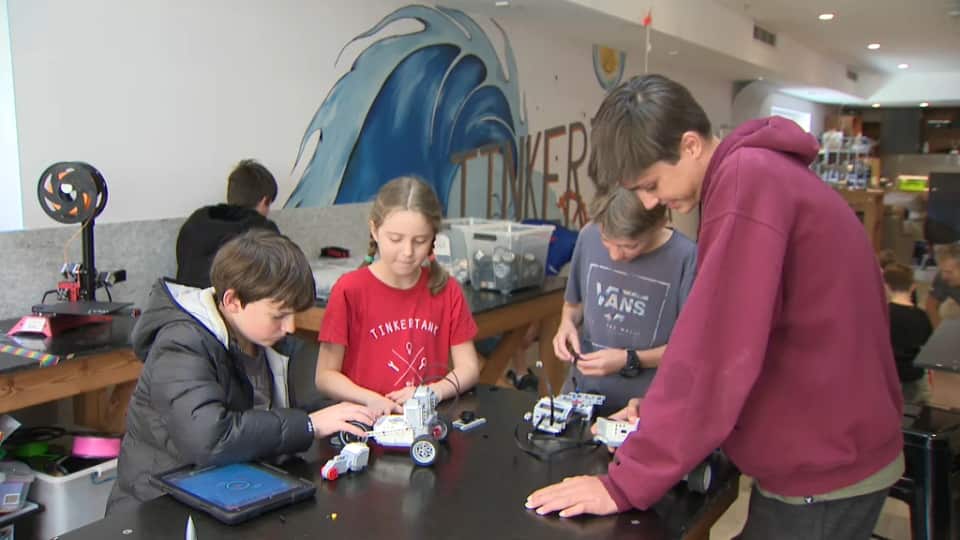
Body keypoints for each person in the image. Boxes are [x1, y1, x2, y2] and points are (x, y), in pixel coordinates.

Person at [525, 74, 903, 540]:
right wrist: (664, 414)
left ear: (689, 145)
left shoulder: (747, 186)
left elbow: (717, 349)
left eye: (650, 184)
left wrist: (625, 484)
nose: (650, 201)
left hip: (824, 461)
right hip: (826, 445)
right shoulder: (758, 175)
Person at [107, 230, 375, 512]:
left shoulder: (269, 342)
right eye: (279, 315)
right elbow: (210, 439)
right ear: (233, 301)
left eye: (295, 313)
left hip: (234, 495)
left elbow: (301, 408)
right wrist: (310, 424)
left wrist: (355, 414)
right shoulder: (181, 343)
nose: (291, 327)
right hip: (158, 509)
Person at [315, 177, 480, 416]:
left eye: (420, 241)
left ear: (433, 238)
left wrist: (432, 392)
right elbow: (325, 376)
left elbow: (469, 368)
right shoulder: (349, 290)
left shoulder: (447, 289)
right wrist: (369, 399)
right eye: (395, 239)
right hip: (365, 421)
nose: (407, 252)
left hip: (424, 420)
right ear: (374, 230)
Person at [552, 187, 696, 412]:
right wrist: (566, 324)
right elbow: (574, 304)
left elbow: (690, 350)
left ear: (659, 225)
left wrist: (628, 359)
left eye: (629, 246)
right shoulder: (588, 236)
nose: (615, 256)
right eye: (607, 241)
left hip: (644, 405)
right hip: (583, 393)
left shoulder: (686, 258)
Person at [175, 159, 280, 288]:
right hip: (226, 305)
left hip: (185, 303)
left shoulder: (196, 221)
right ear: (265, 201)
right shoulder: (263, 231)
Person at [883, 262, 933, 404]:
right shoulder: (921, 315)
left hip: (890, 376)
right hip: (915, 376)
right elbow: (927, 345)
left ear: (885, 286)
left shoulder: (884, 314)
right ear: (912, 287)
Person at [925, 243, 960, 328]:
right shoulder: (941, 278)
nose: (944, 276)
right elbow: (931, 306)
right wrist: (939, 332)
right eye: (942, 270)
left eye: (949, 272)